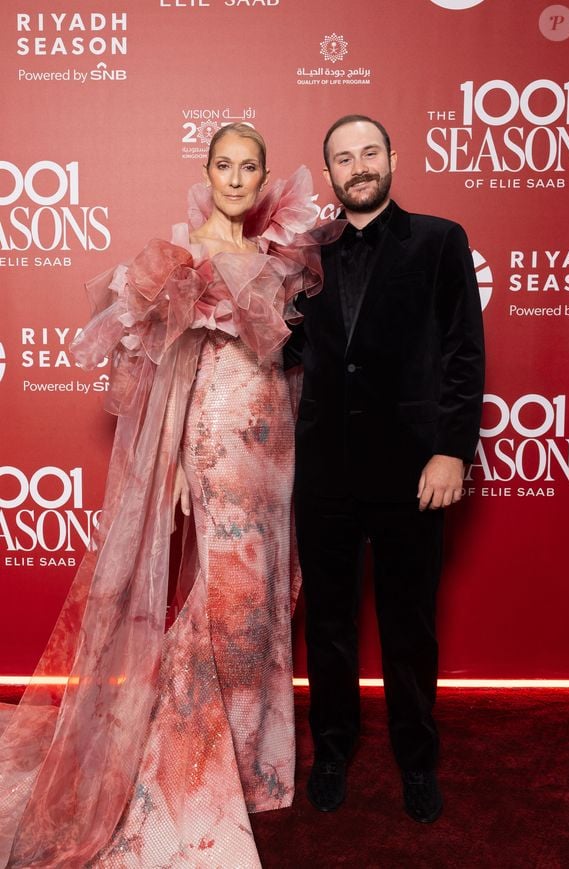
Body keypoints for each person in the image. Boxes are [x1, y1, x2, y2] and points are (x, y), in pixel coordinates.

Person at [0, 124, 340, 868]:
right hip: (214, 439)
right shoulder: (181, 254)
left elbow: (294, 365)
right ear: (208, 170)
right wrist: (179, 464)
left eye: (250, 166)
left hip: (275, 442)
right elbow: (161, 368)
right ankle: (200, 752)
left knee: (277, 591)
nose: (238, 177)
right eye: (226, 164)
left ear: (260, 177)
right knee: (230, 596)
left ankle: (261, 762)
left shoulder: (281, 253)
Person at [285, 115, 485, 823]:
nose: (359, 166)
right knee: (329, 626)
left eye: (369, 152)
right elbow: (285, 351)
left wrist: (452, 449)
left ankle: (417, 759)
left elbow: (464, 351)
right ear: (330, 173)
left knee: (408, 625)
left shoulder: (439, 240)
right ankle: (331, 751)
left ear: (392, 158)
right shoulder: (303, 250)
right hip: (324, 471)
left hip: (412, 469)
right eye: (344, 157)